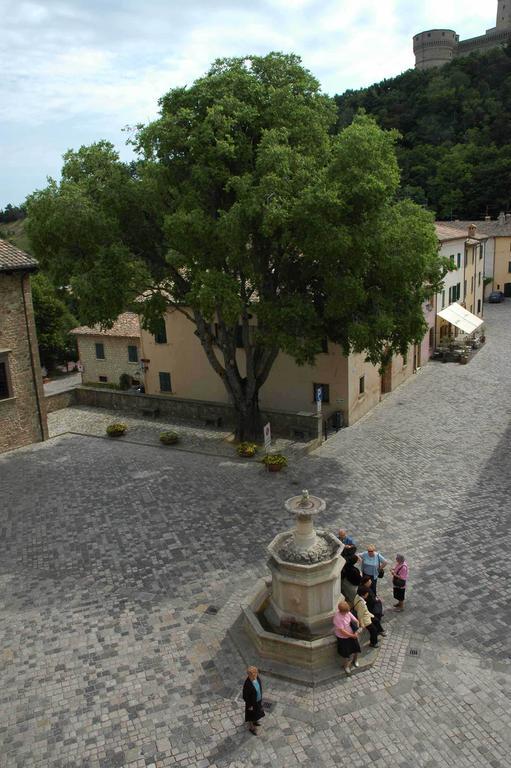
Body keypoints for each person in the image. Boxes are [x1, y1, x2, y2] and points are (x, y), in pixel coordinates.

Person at [333, 600, 361, 675]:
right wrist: (353, 635)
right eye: (346, 612)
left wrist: (357, 629)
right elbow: (342, 631)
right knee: (347, 653)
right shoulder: (337, 617)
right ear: (341, 611)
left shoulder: (347, 612)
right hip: (343, 637)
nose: (347, 613)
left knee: (356, 648)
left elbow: (355, 620)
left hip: (352, 634)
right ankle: (346, 667)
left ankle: (355, 661)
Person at [242, 666, 265, 735]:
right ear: (250, 675)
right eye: (254, 673)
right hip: (251, 704)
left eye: (256, 673)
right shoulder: (247, 684)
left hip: (257, 700)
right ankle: (251, 728)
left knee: (257, 712)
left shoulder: (256, 678)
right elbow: (245, 696)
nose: (256, 674)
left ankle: (255, 721)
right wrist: (249, 706)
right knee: (251, 716)